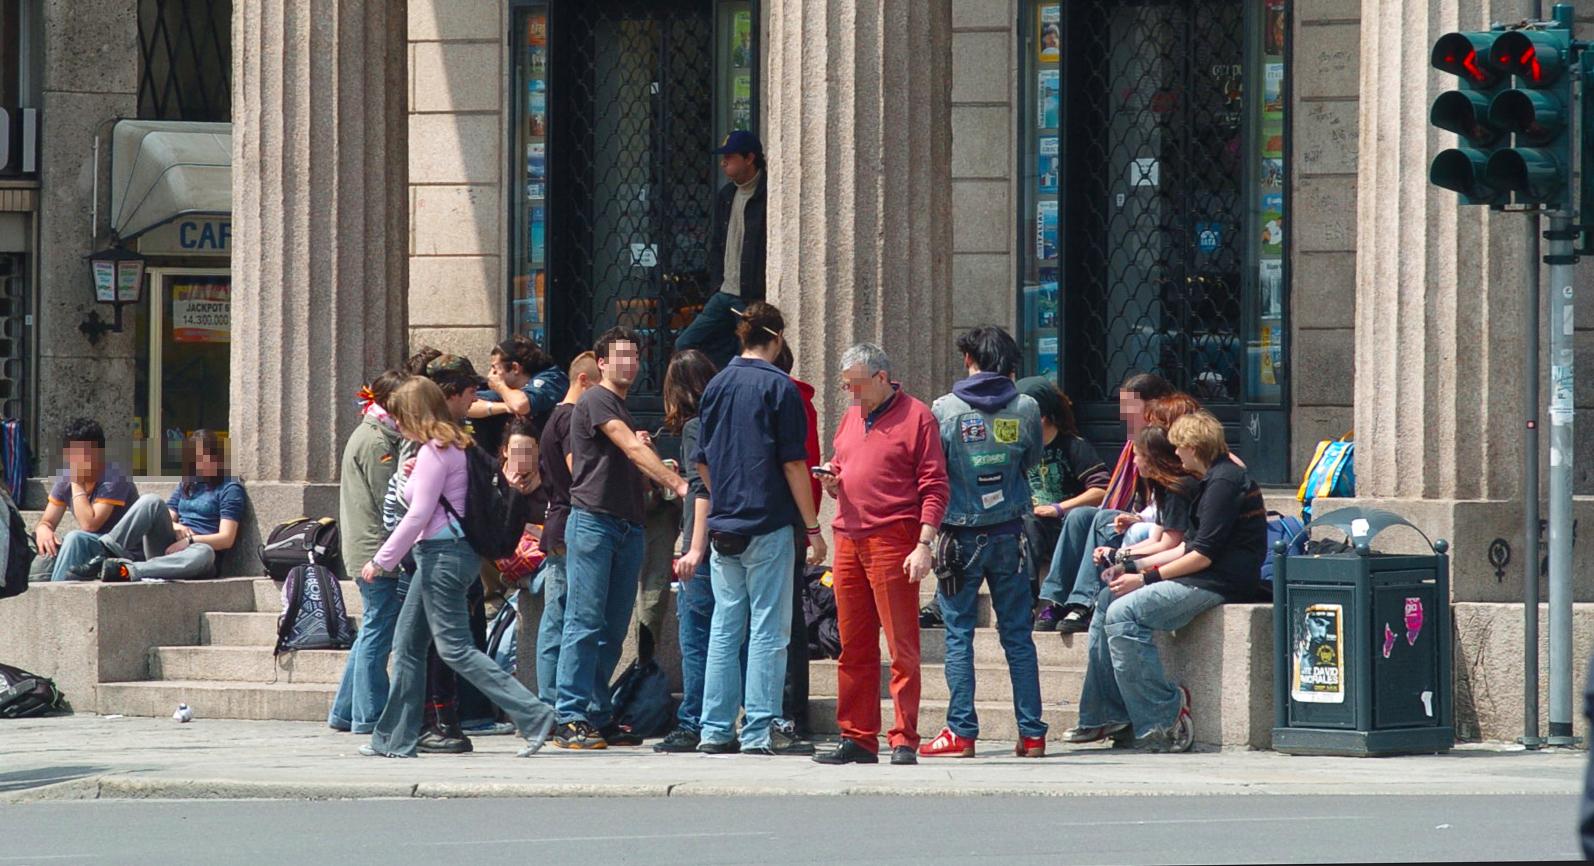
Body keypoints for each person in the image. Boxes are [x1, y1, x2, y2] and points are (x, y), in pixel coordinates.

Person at [360, 377, 555, 759]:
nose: (397, 424)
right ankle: (394, 739)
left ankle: (535, 714)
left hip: (441, 557)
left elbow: (418, 515)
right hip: (447, 555)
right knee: (409, 645)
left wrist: (382, 560)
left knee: (455, 649)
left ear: (415, 412)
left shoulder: (436, 452)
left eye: (400, 416)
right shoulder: (454, 448)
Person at [1068, 410, 1267, 753]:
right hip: (1200, 574)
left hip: (1216, 582)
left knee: (1123, 614)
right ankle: (1109, 713)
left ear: (1193, 446)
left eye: (1179, 447)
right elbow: (1185, 547)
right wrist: (1131, 566)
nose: (1175, 454)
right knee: (1106, 601)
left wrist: (1144, 578)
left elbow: (1201, 556)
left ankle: (1165, 716)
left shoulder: (1225, 482)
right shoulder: (1210, 481)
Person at [693, 302, 827, 756]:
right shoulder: (780, 387)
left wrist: (726, 500)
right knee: (769, 631)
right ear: (777, 337)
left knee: (725, 628)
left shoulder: (715, 385)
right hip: (768, 521)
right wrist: (813, 527)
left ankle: (714, 729)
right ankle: (758, 730)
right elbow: (794, 463)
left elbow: (704, 463)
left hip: (725, 525)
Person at [811, 343, 948, 766]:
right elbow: (842, 459)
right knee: (853, 645)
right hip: (849, 537)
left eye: (854, 384)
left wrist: (924, 544)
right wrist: (833, 479)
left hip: (894, 538)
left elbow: (935, 484)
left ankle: (904, 737)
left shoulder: (918, 416)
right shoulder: (853, 415)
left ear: (882, 378)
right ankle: (857, 737)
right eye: (845, 384)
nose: (848, 392)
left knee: (901, 645)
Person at [553, 326, 688, 750]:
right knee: (584, 620)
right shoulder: (596, 398)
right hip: (594, 523)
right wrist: (678, 484)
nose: (629, 362)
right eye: (620, 356)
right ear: (603, 363)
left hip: (628, 526)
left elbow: (624, 455)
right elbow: (628, 448)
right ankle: (569, 715)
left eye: (634, 355)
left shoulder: (619, 406)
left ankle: (596, 713)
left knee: (611, 628)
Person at [922, 325, 1047, 759]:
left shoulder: (945, 408)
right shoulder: (1026, 406)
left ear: (969, 360)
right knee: (1018, 635)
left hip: (959, 533)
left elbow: (935, 469)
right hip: (1009, 532)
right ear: (1009, 363)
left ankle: (961, 732)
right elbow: (1032, 459)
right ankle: (1032, 733)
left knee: (958, 633)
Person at [1032, 373, 1179, 633]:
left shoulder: (1166, 444)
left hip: (1153, 525)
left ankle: (1083, 603)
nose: (1124, 417)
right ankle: (1056, 598)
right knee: (1079, 517)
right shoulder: (1132, 446)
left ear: (1154, 406)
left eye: (1130, 409)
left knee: (1101, 519)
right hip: (1140, 516)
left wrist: (1139, 518)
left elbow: (1166, 505)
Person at [330, 370, 412, 734]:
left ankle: (345, 711)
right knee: (379, 630)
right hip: (374, 551)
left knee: (372, 630)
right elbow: (389, 501)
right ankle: (371, 715)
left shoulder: (379, 434)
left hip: (372, 549)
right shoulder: (377, 441)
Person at [654, 349, 721, 753]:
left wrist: (691, 548)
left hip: (704, 538)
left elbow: (700, 488)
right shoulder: (727, 420)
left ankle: (695, 718)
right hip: (735, 534)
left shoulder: (696, 426)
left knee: (696, 631)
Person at [84, 430, 246, 582]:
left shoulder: (229, 487)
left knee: (205, 553)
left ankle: (126, 570)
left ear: (218, 457)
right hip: (168, 547)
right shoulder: (188, 483)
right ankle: (106, 552)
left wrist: (189, 541)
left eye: (206, 457)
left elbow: (226, 538)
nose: (201, 463)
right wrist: (176, 527)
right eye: (196, 459)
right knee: (151, 500)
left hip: (196, 555)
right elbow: (167, 515)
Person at [533, 351, 600, 706]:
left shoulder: (554, 417)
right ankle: (552, 699)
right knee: (562, 616)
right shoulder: (572, 419)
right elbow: (581, 473)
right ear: (584, 381)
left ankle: (551, 697)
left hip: (557, 523)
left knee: (557, 615)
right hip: (567, 525)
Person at [675, 130, 766, 369]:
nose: (723, 162)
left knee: (749, 357)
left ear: (749, 158)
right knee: (686, 343)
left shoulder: (767, 194)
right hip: (724, 292)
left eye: (730, 156)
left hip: (750, 297)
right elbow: (716, 244)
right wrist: (716, 284)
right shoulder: (726, 195)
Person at [1016, 377, 1108, 599]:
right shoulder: (1019, 449)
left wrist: (1058, 508)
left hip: (1066, 529)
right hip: (1031, 528)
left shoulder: (1075, 446)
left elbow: (1101, 489)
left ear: (1042, 417)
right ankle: (1024, 598)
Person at [771, 340, 819, 741]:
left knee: (785, 622)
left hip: (782, 520)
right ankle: (787, 711)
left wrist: (810, 525)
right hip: (785, 519)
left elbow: (800, 463)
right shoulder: (798, 399)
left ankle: (790, 712)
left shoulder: (790, 399)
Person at [29, 418, 140, 582]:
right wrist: (44, 529)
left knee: (75, 538)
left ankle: (58, 595)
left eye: (85, 452)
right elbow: (48, 520)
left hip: (118, 549)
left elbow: (90, 525)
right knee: (39, 552)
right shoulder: (65, 477)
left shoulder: (114, 476)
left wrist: (76, 482)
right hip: (89, 548)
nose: (78, 458)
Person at [470, 334, 568, 452]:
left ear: (515, 368)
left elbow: (520, 405)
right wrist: (505, 407)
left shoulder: (551, 379)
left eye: (495, 368)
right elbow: (468, 405)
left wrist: (500, 386)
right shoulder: (509, 391)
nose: (491, 375)